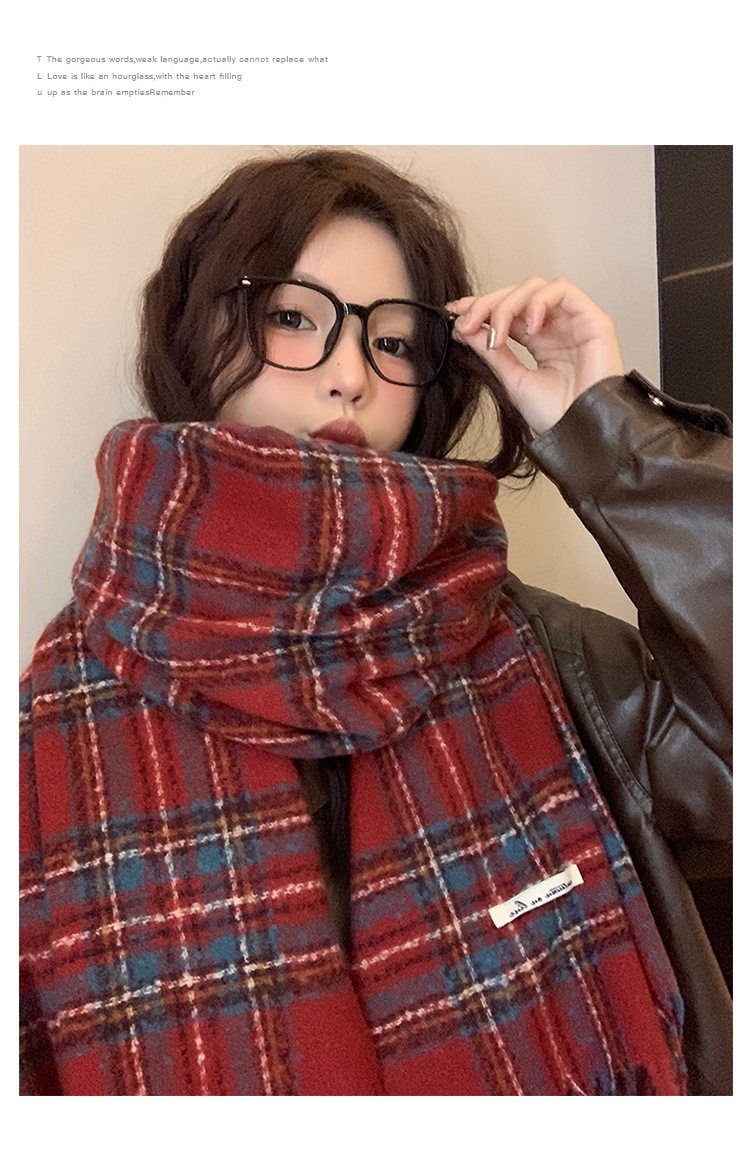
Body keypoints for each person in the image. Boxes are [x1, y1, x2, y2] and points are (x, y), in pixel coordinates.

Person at [19, 148, 731, 1096]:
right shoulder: (66, 706)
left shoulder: (539, 651)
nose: (350, 375)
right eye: (291, 318)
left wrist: (610, 436)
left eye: (393, 342)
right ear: (195, 336)